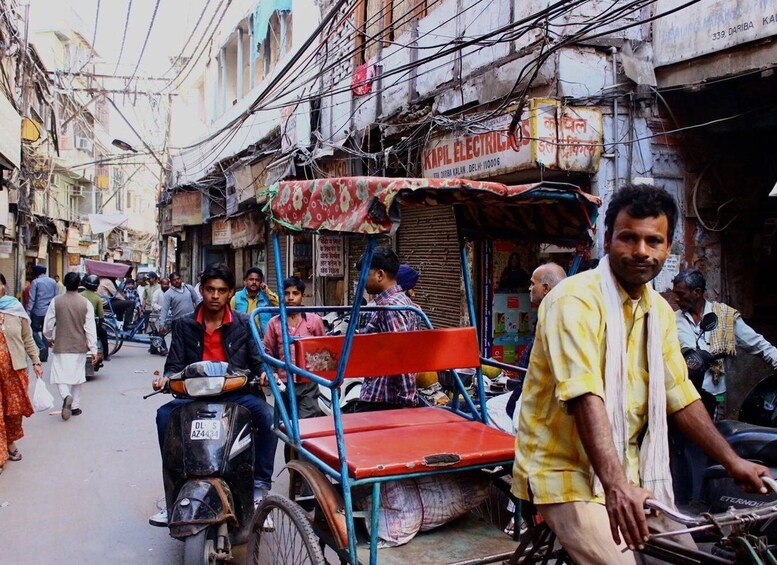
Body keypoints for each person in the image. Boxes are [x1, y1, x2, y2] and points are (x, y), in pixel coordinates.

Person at [512, 184, 770, 563]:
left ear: (668, 247)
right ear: (608, 238)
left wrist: (734, 463)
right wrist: (616, 488)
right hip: (563, 472)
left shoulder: (660, 313)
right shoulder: (572, 301)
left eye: (654, 240)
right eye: (629, 237)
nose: (641, 252)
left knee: (695, 557)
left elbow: (679, 395)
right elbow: (586, 395)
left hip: (630, 470)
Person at [150, 263, 277, 525]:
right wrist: (166, 379)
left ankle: (259, 489)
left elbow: (258, 360)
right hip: (194, 396)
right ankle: (172, 493)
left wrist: (265, 373)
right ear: (202, 290)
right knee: (163, 416)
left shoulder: (244, 323)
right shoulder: (185, 325)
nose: (215, 296)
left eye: (221, 290)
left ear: (230, 292)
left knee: (267, 416)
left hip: (236, 394)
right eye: (210, 290)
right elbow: (174, 366)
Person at [671, 269, 777, 505]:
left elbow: (759, 345)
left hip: (713, 396)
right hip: (683, 395)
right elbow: (683, 349)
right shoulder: (674, 320)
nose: (676, 299)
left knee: (715, 446)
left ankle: (711, 495)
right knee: (684, 449)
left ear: (697, 293)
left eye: (680, 294)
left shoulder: (724, 316)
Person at [486, 262, 566, 434]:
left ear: (545, 288)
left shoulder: (555, 317)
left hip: (538, 395)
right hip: (528, 388)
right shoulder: (548, 312)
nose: (529, 288)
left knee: (497, 412)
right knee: (492, 406)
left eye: (532, 283)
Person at [348, 246, 423, 412]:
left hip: (382, 399)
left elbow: (402, 357)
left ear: (380, 275)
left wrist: (408, 402)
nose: (361, 280)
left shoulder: (390, 309)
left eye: (364, 274)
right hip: (381, 395)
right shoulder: (403, 301)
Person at [262, 276, 325, 420]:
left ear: (302, 296)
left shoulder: (314, 321)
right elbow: (268, 352)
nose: (291, 298)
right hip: (284, 383)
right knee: (287, 428)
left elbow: (324, 349)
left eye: (295, 293)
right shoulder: (274, 323)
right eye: (287, 293)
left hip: (308, 383)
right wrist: (272, 373)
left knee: (305, 427)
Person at [0, 273, 43, 475]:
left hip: (14, 372)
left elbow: (27, 339)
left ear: (4, 286)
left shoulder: (15, 310)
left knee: (13, 412)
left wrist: (36, 360)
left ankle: (10, 441)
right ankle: (3, 451)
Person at [43, 272, 98, 421]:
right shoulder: (85, 303)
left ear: (65, 284)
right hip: (79, 346)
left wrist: (49, 338)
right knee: (78, 377)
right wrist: (93, 350)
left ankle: (66, 396)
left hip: (61, 344)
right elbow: (90, 329)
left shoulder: (56, 301)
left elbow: (48, 324)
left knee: (59, 375)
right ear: (79, 284)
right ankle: (75, 407)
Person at [230, 267, 279, 334]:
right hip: (243, 337)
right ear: (245, 281)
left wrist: (267, 291)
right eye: (251, 279)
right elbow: (230, 318)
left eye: (257, 280)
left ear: (261, 283)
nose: (254, 282)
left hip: (263, 339)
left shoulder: (267, 297)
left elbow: (281, 305)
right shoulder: (236, 298)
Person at [27, 265, 59, 362]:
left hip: (38, 311)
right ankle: (44, 356)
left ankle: (41, 346)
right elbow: (56, 297)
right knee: (46, 331)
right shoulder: (53, 282)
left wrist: (28, 312)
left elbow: (32, 298)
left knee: (33, 330)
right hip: (49, 311)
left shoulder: (35, 282)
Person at [80, 275, 110, 362]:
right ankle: (106, 355)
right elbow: (101, 316)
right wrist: (100, 324)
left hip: (78, 323)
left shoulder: (79, 295)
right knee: (103, 334)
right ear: (96, 287)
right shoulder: (97, 298)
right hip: (90, 323)